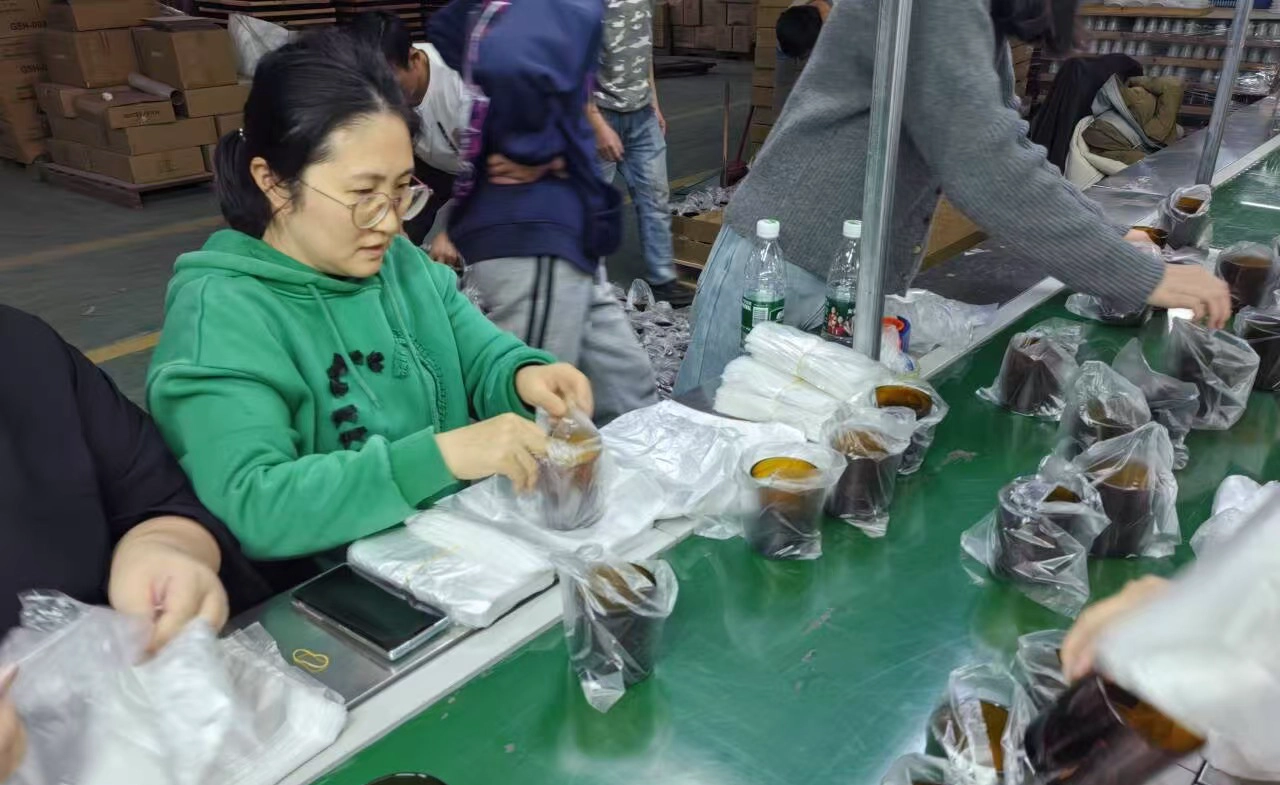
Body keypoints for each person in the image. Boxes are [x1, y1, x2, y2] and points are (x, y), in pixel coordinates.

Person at [147, 29, 593, 563]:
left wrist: (523, 376)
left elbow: (477, 352)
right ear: (271, 181)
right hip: (336, 595)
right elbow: (253, 505)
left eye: (402, 189)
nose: (388, 222)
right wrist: (442, 457)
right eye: (363, 194)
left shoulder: (399, 262)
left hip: (451, 552)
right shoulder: (223, 315)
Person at [674, 0, 1233, 394]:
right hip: (784, 266)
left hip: (840, 269)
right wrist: (1139, 276)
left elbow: (996, 135)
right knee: (719, 453)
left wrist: (1107, 237)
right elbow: (982, 158)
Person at [0, 306, 271, 782]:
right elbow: (262, 499)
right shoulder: (224, 318)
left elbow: (154, 493)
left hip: (135, 758)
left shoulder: (23, 350)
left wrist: (166, 547)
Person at [426, 0, 658, 422]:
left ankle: (645, 474)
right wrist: (536, 150)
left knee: (628, 388)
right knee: (534, 409)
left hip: (565, 228)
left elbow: (446, 27)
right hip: (534, 231)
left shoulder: (506, 11)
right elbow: (514, 63)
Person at [586, 0, 691, 308]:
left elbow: (644, 53)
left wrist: (654, 103)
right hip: (602, 114)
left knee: (656, 196)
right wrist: (593, 122)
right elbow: (572, 61)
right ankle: (589, 287)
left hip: (642, 115)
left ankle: (662, 279)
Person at [345, 12, 467, 255]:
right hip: (423, 167)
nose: (383, 95)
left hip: (480, 173)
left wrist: (456, 229)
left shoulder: (463, 83)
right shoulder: (369, 88)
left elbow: (494, 169)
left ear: (413, 59)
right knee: (399, 242)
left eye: (390, 83)